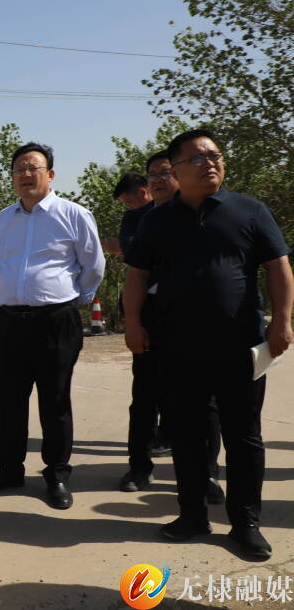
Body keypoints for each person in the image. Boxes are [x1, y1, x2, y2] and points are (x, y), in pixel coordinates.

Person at [124, 129, 292, 559]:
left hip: (240, 347)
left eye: (215, 155)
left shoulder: (249, 210)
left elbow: (278, 267)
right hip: (177, 347)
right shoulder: (157, 219)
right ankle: (192, 514)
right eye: (198, 158)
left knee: (244, 436)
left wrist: (282, 322)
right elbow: (137, 274)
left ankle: (246, 522)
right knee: (187, 434)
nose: (210, 163)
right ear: (177, 169)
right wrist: (134, 323)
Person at [0, 142, 105, 510]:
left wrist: (73, 299)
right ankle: (9, 468)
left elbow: (93, 265)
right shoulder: (4, 218)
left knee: (55, 400)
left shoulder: (74, 214)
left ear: (50, 174)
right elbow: (4, 264)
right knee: (8, 399)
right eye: (19, 168)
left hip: (55, 321)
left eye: (34, 167)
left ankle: (57, 474)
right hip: (11, 322)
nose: (26, 174)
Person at [118, 153, 222, 495]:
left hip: (198, 319)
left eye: (165, 173)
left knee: (204, 401)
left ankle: (207, 473)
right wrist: (133, 322)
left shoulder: (208, 214)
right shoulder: (144, 220)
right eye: (153, 175)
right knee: (145, 397)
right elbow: (135, 274)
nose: (159, 180)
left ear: (180, 174)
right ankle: (139, 467)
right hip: (153, 318)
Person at [100, 172, 152, 257]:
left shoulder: (169, 211)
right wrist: (121, 249)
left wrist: (120, 248)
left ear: (142, 192)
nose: (129, 207)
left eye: (129, 202)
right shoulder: (131, 217)